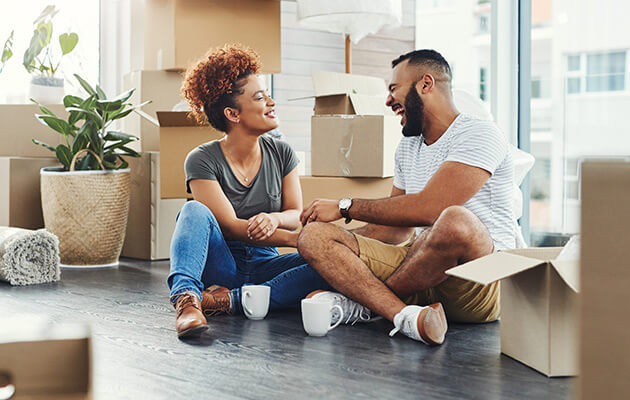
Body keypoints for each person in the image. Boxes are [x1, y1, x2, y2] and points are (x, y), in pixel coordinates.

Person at [297, 49, 516, 346]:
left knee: (455, 220)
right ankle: (405, 316)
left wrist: (345, 206)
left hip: (482, 278)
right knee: (314, 237)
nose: (388, 101)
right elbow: (392, 230)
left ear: (426, 84)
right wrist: (329, 240)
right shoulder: (408, 148)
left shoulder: (479, 134)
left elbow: (430, 210)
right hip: (421, 271)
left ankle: (368, 306)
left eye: (393, 89)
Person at [167, 44, 331, 338]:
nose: (271, 101)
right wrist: (299, 241)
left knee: (333, 264)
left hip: (267, 262)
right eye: (260, 97)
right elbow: (229, 227)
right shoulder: (201, 159)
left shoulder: (282, 152)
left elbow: (295, 213)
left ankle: (226, 300)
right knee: (192, 210)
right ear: (233, 113)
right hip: (221, 264)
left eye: (267, 94)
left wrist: (276, 219)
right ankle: (187, 300)